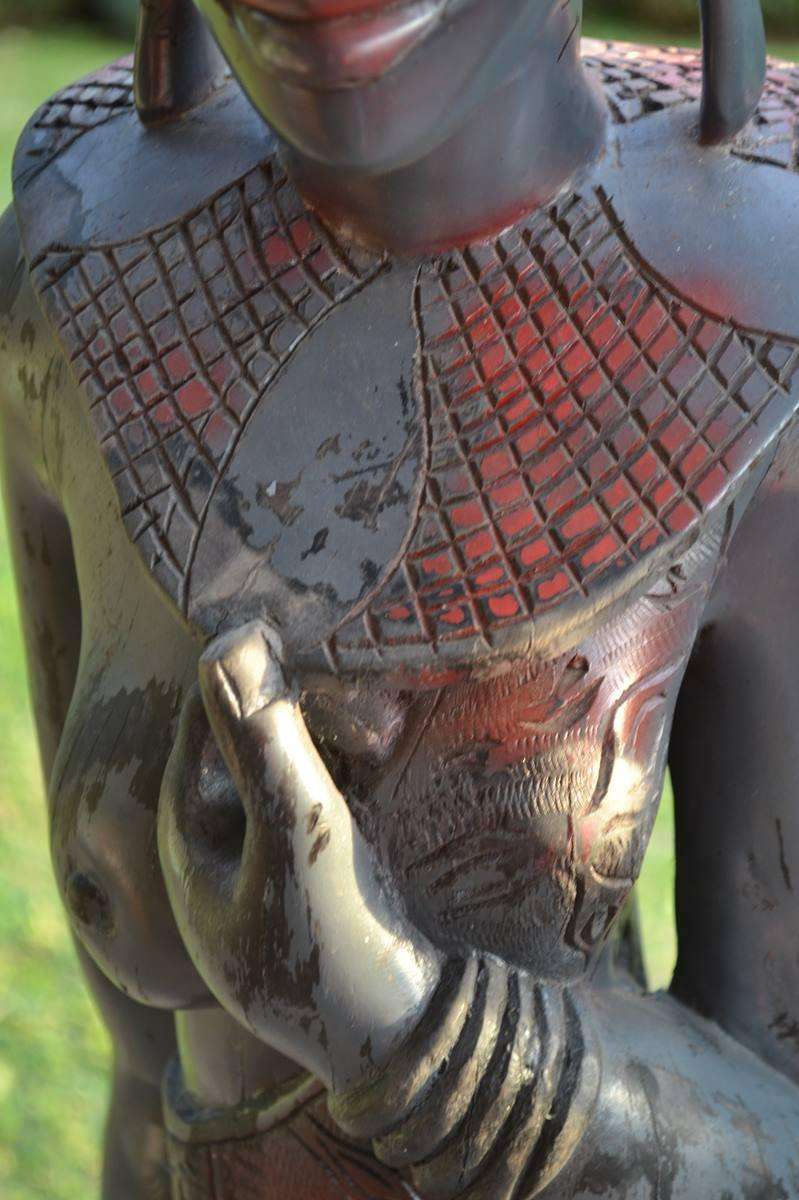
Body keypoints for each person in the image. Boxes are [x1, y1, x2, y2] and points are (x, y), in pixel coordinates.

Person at [2, 0, 799, 1195]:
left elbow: (778, 1122)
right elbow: (136, 1072)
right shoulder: (79, 259)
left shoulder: (753, 314)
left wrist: (417, 1030)